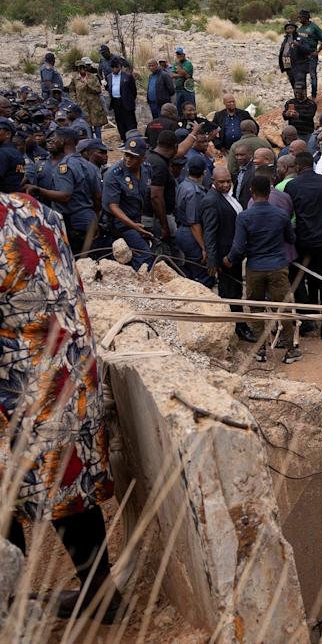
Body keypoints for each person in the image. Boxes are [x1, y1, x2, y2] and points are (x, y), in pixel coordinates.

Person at [0, 191, 123, 625]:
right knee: (70, 491)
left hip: (18, 394)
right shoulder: (33, 208)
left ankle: (10, 610)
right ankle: (100, 595)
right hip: (69, 378)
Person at [225, 175, 301, 362]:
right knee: (282, 308)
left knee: (256, 308)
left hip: (255, 268)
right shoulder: (281, 215)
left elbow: (239, 247)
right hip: (278, 267)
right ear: (270, 191)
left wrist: (229, 259)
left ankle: (260, 351)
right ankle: (290, 350)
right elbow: (291, 239)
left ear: (252, 191)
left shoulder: (244, 216)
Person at [284, 151, 322, 339]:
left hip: (303, 239)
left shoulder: (292, 186)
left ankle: (307, 320)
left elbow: (288, 215)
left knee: (300, 278)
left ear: (298, 167)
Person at [200, 166, 254, 342]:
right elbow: (210, 233)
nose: (225, 185)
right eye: (221, 182)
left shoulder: (228, 196)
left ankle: (238, 323)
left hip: (234, 253)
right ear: (213, 182)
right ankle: (237, 326)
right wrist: (213, 260)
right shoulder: (211, 201)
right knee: (229, 292)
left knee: (236, 290)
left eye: (228, 181)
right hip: (224, 256)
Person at [102, 137, 156, 271]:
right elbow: (113, 206)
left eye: (133, 156)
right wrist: (134, 227)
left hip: (137, 219)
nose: (128, 159)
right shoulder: (114, 174)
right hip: (119, 223)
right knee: (145, 254)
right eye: (126, 154)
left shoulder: (146, 169)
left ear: (143, 158)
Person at [175, 159, 210, 284]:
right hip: (191, 235)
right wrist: (203, 247)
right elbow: (194, 223)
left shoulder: (183, 184)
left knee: (189, 271)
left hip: (181, 230)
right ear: (204, 173)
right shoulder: (195, 192)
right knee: (202, 274)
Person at [68, 58, 105, 141]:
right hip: (82, 105)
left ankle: (99, 142)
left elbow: (98, 90)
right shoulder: (75, 79)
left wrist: (88, 86)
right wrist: (75, 101)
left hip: (94, 105)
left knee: (97, 125)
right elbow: (71, 91)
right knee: (87, 125)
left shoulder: (93, 77)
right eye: (79, 68)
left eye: (83, 67)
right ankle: (90, 143)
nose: (81, 69)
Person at [296, 10, 322, 98]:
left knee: (313, 75)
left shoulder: (314, 27)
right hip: (301, 56)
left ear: (306, 17)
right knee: (302, 76)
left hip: (311, 55)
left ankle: (313, 96)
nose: (299, 19)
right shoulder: (300, 28)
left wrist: (318, 51)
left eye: (300, 17)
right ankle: (304, 96)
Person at [108, 58, 138, 139]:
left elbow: (133, 91)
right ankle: (124, 140)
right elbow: (109, 89)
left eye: (115, 67)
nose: (113, 69)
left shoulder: (128, 76)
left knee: (130, 121)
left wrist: (129, 100)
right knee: (120, 122)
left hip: (126, 102)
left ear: (120, 67)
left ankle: (133, 140)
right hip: (115, 102)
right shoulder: (109, 77)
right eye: (112, 67)